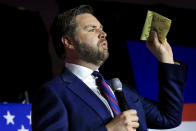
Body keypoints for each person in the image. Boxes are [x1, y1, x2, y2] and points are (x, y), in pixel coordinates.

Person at [32, 5, 188, 131]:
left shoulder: (120, 90)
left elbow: (169, 118)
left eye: (101, 28)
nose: (103, 33)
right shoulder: (54, 93)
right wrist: (109, 130)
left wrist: (165, 58)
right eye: (92, 29)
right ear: (69, 42)